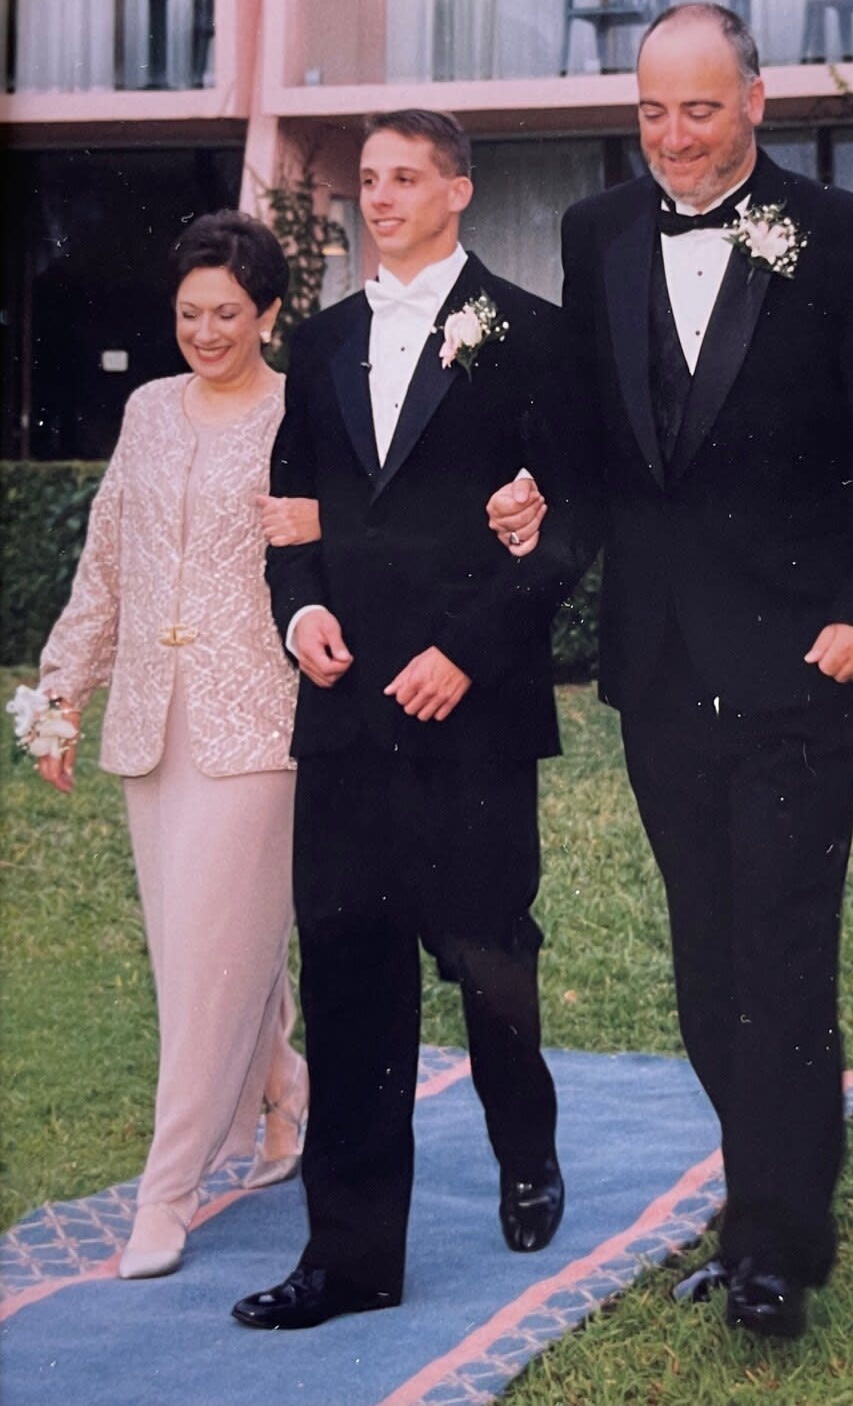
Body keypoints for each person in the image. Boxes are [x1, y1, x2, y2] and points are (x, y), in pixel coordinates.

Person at [488, 3, 853, 1339]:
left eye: (699, 109)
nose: (674, 138)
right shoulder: (598, 233)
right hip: (663, 662)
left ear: (756, 102)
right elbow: (590, 438)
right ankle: (763, 1197)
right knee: (704, 954)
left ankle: (776, 1247)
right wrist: (537, 503)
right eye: (652, 112)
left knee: (780, 948)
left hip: (807, 660)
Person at [231, 110, 595, 1332]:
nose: (376, 198)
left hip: (473, 719)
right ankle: (346, 1260)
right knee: (347, 983)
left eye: (402, 178)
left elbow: (567, 536)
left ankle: (524, 1145)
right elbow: (289, 514)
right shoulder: (323, 342)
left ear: (459, 190)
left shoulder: (533, 337)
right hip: (342, 716)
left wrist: (470, 656)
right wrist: (301, 618)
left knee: (488, 958)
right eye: (366, 181)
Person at [37, 211, 315, 1280]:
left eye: (227, 315)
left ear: (270, 315)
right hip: (152, 723)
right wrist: (63, 690)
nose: (205, 332)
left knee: (206, 960)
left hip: (261, 720)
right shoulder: (147, 409)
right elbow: (107, 561)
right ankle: (282, 1097)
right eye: (189, 314)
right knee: (201, 953)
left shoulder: (305, 408)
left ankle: (167, 1195)